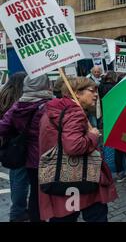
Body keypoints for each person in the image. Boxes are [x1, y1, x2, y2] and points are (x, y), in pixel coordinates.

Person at [38, 77, 118, 222]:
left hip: (60, 176)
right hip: (81, 175)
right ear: (77, 93)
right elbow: (74, 146)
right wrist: (93, 136)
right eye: (92, 90)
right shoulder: (74, 112)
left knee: (65, 216)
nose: (96, 94)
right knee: (96, 215)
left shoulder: (55, 109)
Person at [0, 75, 53, 222]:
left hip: (24, 155)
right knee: (43, 193)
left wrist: (16, 133)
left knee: (27, 189)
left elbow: (2, 127)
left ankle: (24, 215)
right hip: (45, 157)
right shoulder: (51, 105)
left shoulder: (17, 106)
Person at [0, 72, 29, 222]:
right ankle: (18, 211)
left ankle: (17, 208)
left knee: (15, 175)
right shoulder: (20, 100)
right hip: (19, 143)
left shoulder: (4, 96)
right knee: (21, 177)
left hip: (7, 143)